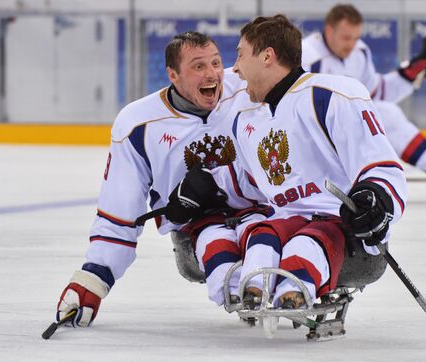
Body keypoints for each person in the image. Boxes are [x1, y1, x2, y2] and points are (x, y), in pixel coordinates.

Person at [170, 15, 407, 309]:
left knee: (306, 242)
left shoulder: (332, 95)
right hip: (284, 221)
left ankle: (294, 292)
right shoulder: (245, 117)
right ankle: (253, 291)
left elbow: (382, 166)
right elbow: (251, 182)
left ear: (267, 56)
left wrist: (377, 200)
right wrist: (208, 186)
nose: (236, 69)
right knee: (262, 235)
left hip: (341, 225)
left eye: (241, 54)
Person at [55, 31, 272, 327]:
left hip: (262, 212)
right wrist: (94, 279)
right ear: (173, 74)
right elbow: (120, 210)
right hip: (196, 224)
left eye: (216, 63)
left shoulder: (251, 88)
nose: (212, 74)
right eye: (198, 67)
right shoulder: (139, 125)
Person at [302, 4, 426, 188]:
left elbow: (375, 94)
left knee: (387, 112)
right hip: (312, 134)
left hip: (341, 128)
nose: (351, 45)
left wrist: (408, 75)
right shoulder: (307, 56)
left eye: (356, 38)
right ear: (329, 31)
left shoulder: (359, 52)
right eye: (346, 38)